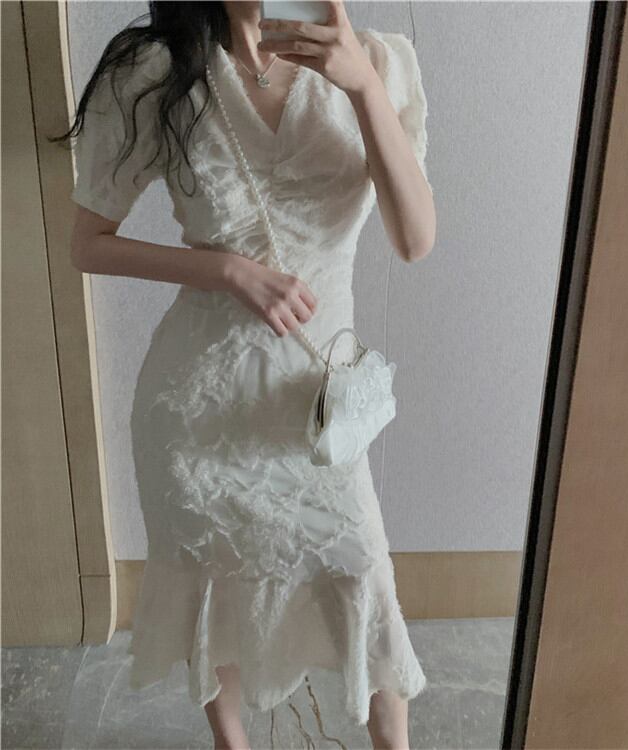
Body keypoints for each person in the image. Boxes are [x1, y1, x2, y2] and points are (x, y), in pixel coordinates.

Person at [59, 1, 436, 747]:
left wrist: (361, 86)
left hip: (313, 405)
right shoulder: (157, 71)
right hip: (197, 404)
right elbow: (87, 244)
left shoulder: (379, 62)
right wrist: (225, 270)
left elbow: (415, 239)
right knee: (216, 587)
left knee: (361, 572)